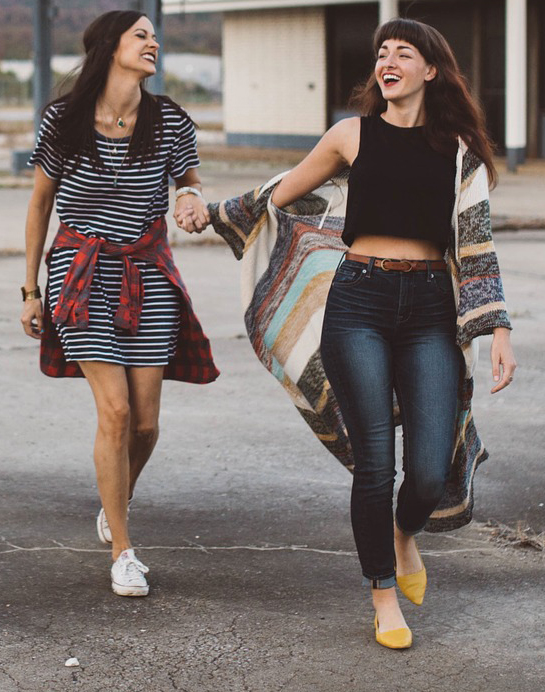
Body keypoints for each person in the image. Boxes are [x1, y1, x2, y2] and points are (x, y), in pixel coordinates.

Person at [200, 18, 516, 648]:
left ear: (432, 70)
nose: (387, 61)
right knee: (374, 465)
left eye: (404, 52)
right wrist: (212, 213)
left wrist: (498, 328)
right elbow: (279, 193)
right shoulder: (351, 135)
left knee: (427, 472)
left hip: (430, 310)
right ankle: (382, 595)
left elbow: (476, 244)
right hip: (358, 303)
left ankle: (403, 534)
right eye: (381, 52)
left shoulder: (459, 151)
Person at [20, 10, 218, 598]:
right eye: (141, 35)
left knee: (146, 424)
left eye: (155, 36)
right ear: (110, 46)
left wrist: (189, 199)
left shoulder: (169, 119)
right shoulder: (63, 120)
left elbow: (190, 181)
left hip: (148, 273)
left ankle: (115, 500)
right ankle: (123, 551)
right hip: (79, 275)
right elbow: (39, 205)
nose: (153, 43)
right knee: (115, 412)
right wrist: (30, 289)